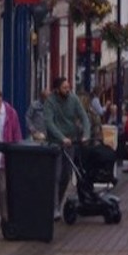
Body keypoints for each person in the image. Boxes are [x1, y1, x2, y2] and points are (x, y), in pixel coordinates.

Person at [44, 76, 90, 218]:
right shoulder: (50, 102)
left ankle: (57, 201)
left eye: (68, 87)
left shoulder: (73, 99)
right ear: (57, 89)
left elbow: (84, 117)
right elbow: (49, 123)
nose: (67, 90)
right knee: (55, 175)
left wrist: (86, 134)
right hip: (55, 143)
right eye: (64, 88)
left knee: (66, 175)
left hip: (71, 141)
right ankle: (54, 207)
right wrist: (61, 138)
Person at [0, 84, 23, 224]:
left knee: (3, 188)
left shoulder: (9, 113)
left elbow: (16, 133)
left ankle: (5, 216)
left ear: (0, 97)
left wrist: (16, 151)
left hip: (4, 155)